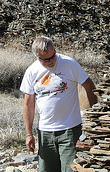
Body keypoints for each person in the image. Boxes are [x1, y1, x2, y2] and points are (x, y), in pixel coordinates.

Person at [20, 36, 98, 172]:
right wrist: (28, 134)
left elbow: (89, 85)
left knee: (71, 169)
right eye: (46, 59)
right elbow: (28, 104)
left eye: (53, 56)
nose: (51, 61)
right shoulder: (31, 72)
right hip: (45, 132)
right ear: (36, 56)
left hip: (70, 130)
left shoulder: (69, 64)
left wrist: (95, 116)